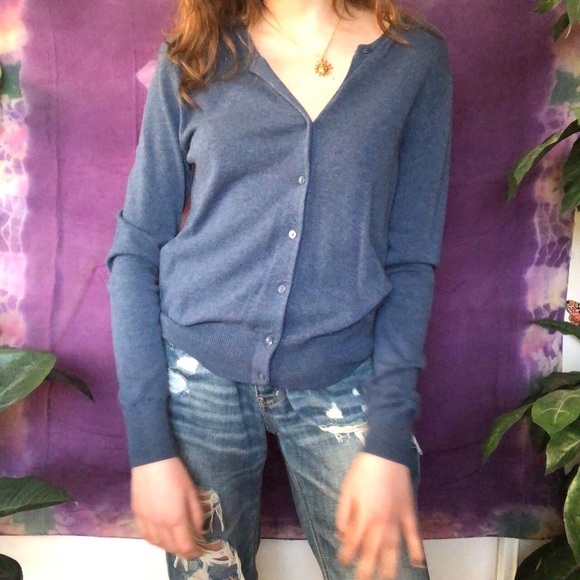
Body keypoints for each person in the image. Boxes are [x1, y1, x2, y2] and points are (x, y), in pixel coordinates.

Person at [106, 0, 453, 578]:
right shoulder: (195, 55)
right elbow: (136, 247)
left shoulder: (414, 58)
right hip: (197, 376)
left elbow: (411, 259)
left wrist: (389, 437)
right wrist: (149, 449)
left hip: (343, 371)